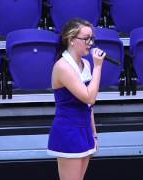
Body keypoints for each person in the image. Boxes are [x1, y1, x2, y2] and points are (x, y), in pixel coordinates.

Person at [47, 18, 106, 180]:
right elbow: (90, 97)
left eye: (92, 38)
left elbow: (88, 105)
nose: (90, 43)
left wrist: (94, 134)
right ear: (71, 40)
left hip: (84, 130)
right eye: (86, 38)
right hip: (68, 131)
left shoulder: (86, 64)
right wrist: (99, 67)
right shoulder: (63, 67)